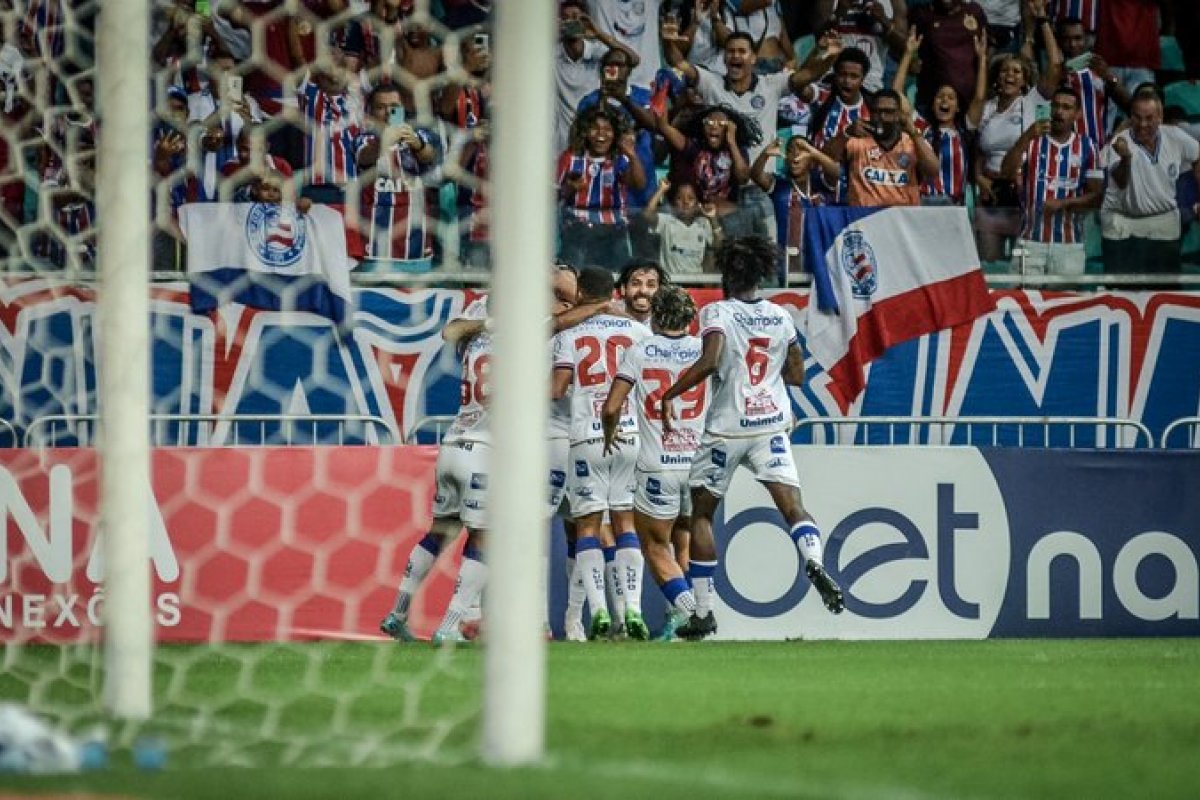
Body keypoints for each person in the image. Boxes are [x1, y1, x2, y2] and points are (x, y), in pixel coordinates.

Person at [659, 236, 845, 640]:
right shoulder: (779, 316)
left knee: (701, 514)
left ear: (726, 274)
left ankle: (704, 613)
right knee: (794, 507)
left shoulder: (716, 312)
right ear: (759, 276)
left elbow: (709, 361)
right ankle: (812, 559)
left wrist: (670, 393)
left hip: (727, 427)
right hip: (772, 424)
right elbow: (797, 375)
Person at [380, 295, 491, 645]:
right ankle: (449, 626)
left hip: (454, 443)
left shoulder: (479, 322)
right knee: (486, 538)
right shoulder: (528, 331)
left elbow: (451, 331)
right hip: (487, 451)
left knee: (439, 532)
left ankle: (397, 614)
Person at [551, 266, 652, 639]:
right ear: (615, 292)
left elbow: (558, 389)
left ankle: (599, 612)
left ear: (579, 296)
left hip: (586, 437)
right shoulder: (640, 332)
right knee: (625, 523)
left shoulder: (570, 335)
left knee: (588, 527)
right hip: (630, 435)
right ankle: (633, 611)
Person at [602, 286, 707, 642]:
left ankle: (694, 611)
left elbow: (612, 406)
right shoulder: (705, 351)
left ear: (657, 315)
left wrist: (609, 433)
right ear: (691, 316)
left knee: (656, 546)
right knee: (687, 538)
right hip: (698, 465)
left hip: (657, 465)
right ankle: (691, 615)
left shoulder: (640, 350)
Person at [1000, 85, 1104, 278]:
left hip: (1069, 245)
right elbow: (1006, 173)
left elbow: (1097, 197)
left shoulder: (1088, 147)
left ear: (1077, 114)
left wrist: (1064, 203)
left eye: (1066, 107)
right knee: (1023, 303)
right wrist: (1026, 136)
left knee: (1064, 306)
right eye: (1055, 106)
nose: (1059, 112)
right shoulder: (1032, 141)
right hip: (1029, 241)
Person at [1100, 91, 1200, 279]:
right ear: (1131, 117)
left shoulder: (1175, 136)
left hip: (1163, 226)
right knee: (1122, 298)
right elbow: (1121, 182)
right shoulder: (1120, 141)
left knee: (1165, 295)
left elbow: (1197, 156)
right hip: (1123, 227)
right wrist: (1126, 158)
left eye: (1149, 118)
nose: (1143, 124)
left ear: (1160, 118)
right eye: (1137, 118)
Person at [892, 28, 989, 205]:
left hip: (954, 205)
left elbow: (980, 98)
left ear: (958, 107)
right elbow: (896, 94)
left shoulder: (964, 130)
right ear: (932, 103)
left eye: (951, 97)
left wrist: (982, 59)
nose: (944, 100)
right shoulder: (922, 127)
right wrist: (908, 53)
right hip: (924, 202)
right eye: (940, 97)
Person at [355, 83, 442, 272]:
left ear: (403, 109)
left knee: (415, 298)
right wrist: (385, 140)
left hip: (415, 242)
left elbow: (430, 156)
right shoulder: (365, 138)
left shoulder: (418, 135)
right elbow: (364, 156)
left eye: (394, 107)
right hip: (375, 242)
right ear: (370, 113)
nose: (388, 113)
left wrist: (417, 145)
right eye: (380, 107)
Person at [556, 105, 647, 271]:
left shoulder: (620, 159)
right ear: (585, 132)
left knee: (618, 279)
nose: (601, 135)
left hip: (613, 233)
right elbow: (555, 195)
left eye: (607, 129)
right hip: (578, 232)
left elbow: (638, 184)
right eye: (595, 128)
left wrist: (632, 155)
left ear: (616, 134)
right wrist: (571, 188)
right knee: (572, 277)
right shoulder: (571, 158)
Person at [821, 88, 942, 207]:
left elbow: (933, 171)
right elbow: (824, 157)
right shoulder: (858, 139)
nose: (882, 117)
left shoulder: (912, 142)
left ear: (898, 114)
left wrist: (914, 134)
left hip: (902, 220)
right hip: (863, 219)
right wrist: (846, 133)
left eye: (888, 112)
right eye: (876, 111)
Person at [750, 136, 831, 278]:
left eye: (801, 151)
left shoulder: (819, 182)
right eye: (791, 151)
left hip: (820, 261)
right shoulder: (780, 185)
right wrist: (765, 155)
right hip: (787, 264)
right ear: (786, 158)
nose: (796, 156)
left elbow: (835, 171)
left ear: (811, 158)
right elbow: (756, 175)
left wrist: (814, 152)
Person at [1057, 15, 1130, 149]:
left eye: (1077, 38)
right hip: (1062, 149)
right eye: (1067, 39)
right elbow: (1041, 110)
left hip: (1097, 148)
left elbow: (1129, 106)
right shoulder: (1053, 73)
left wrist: (1108, 77)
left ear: (1086, 39)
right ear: (1059, 41)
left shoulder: (1099, 68)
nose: (1072, 44)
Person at [642, 179, 720, 276]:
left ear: (698, 204)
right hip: (672, 280)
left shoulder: (703, 223)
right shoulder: (666, 222)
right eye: (679, 198)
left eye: (691, 198)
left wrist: (713, 219)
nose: (685, 202)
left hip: (696, 281)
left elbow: (719, 245)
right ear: (673, 203)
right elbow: (647, 214)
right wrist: (661, 190)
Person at [616, 260, 666, 326]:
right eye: (635, 284)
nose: (643, 291)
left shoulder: (668, 323)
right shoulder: (609, 320)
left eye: (651, 285)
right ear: (623, 288)